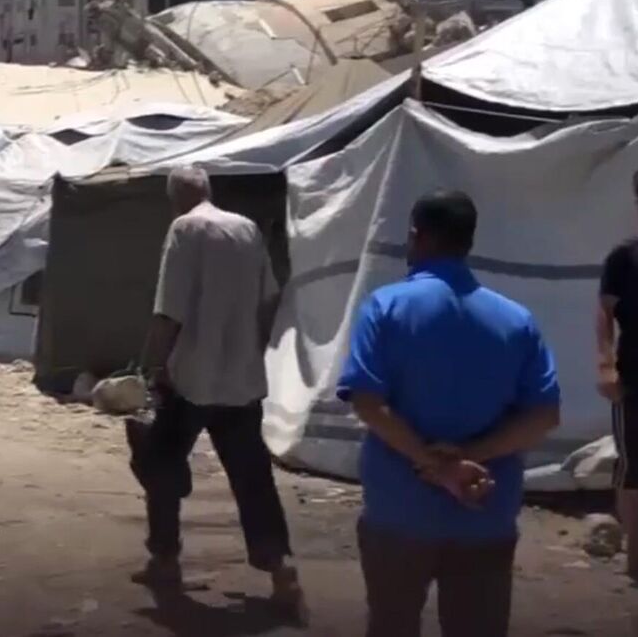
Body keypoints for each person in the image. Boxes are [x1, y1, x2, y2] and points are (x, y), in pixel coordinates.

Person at [338, 189, 561, 637]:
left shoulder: (385, 307)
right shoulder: (516, 320)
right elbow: (544, 416)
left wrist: (432, 463)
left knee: (391, 625)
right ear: (469, 241)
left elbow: (368, 402)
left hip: (399, 511)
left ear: (416, 236)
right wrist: (468, 458)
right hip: (485, 512)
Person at [128, 166, 305, 616]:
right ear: (209, 190)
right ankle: (281, 569)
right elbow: (269, 300)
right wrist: (255, 352)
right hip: (242, 381)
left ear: (175, 198)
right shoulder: (246, 229)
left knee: (161, 467)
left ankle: (165, 559)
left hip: (190, 379)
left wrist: (151, 366)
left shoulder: (184, 229)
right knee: (253, 479)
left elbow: (169, 309)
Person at [597, 168, 638, 584]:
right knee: (633, 462)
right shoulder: (624, 258)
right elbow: (604, 313)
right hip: (635, 375)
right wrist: (605, 364)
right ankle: (634, 546)